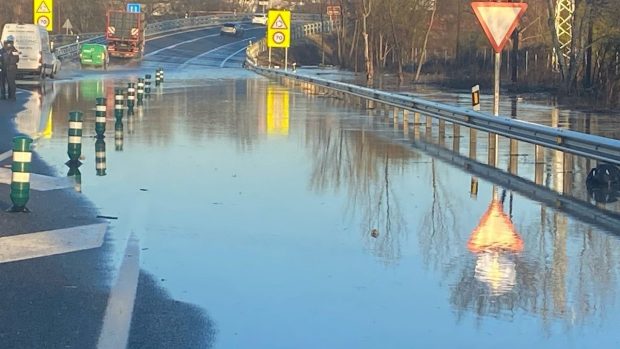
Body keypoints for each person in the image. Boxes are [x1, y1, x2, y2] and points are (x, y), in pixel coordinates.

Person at [2, 35, 19, 101]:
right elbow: (16, 60)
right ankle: (9, 96)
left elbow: (16, 59)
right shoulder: (5, 49)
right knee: (8, 83)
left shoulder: (13, 50)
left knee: (9, 83)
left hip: (8, 67)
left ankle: (9, 96)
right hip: (7, 68)